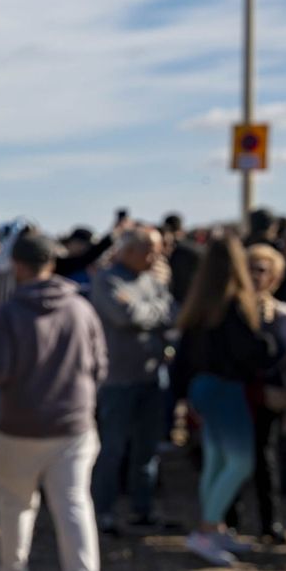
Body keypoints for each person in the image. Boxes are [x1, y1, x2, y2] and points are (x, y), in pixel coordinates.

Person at [0, 232, 107, 571]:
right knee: (73, 504)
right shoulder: (81, 309)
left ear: (17, 265)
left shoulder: (8, 314)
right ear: (52, 262)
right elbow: (100, 366)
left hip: (20, 425)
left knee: (15, 503)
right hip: (73, 425)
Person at [175, 235, 281, 568]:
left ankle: (214, 526)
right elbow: (252, 351)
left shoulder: (200, 303)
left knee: (217, 462)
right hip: (225, 389)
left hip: (203, 388)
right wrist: (270, 341)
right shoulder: (234, 304)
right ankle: (207, 530)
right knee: (239, 462)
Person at [89, 227, 175, 534]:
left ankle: (143, 508)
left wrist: (150, 311)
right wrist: (156, 311)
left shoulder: (154, 280)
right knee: (112, 448)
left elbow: (173, 314)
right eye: (149, 250)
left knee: (147, 450)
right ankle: (102, 512)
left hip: (152, 377)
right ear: (129, 251)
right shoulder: (107, 279)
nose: (155, 257)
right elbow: (127, 316)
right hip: (117, 380)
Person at [235, 244, 286, 543]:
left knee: (265, 456)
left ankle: (270, 522)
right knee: (234, 456)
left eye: (262, 270)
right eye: (251, 268)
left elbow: (284, 353)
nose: (256, 276)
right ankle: (230, 519)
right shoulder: (233, 309)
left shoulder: (283, 312)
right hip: (238, 392)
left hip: (267, 395)